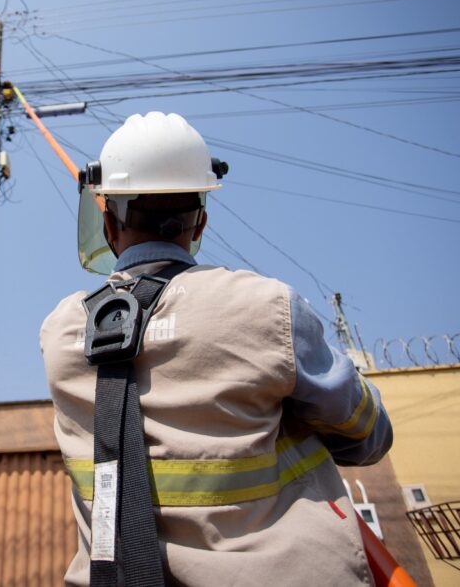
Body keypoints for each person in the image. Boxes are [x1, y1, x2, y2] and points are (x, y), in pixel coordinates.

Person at [40, 112, 393, 586]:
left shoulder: (61, 334)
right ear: (200, 220)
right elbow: (370, 435)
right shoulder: (268, 307)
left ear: (107, 222)